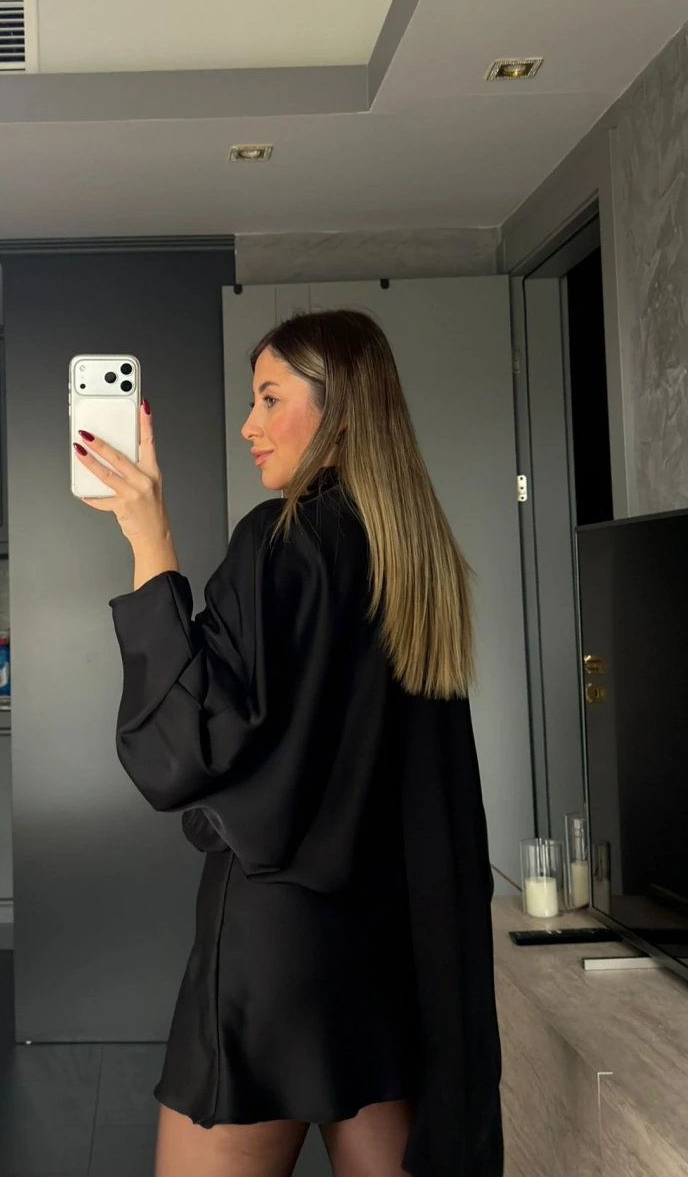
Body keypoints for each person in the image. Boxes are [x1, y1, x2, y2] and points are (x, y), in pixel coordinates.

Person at [74, 309, 503, 1177]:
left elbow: (182, 749)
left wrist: (150, 539)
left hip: (274, 956)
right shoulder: (417, 558)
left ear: (339, 410)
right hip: (385, 953)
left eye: (271, 399)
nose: (249, 424)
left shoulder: (282, 541)